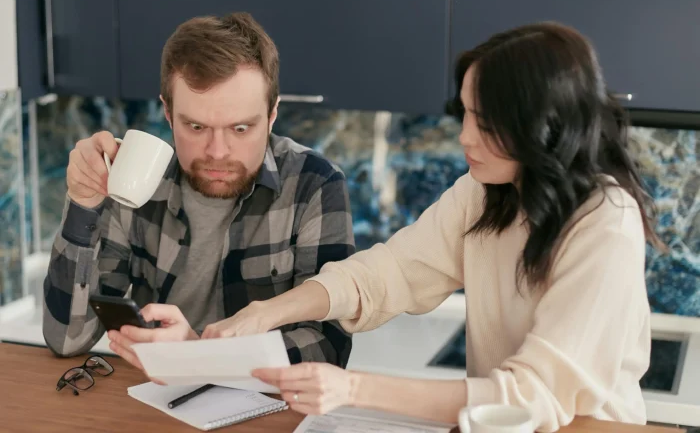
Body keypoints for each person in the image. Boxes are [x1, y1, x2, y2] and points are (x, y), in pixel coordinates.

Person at [121, 21, 661, 431]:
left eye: (487, 122)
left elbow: (528, 396)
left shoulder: (605, 224)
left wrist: (351, 387)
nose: (465, 139)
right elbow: (386, 274)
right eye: (465, 115)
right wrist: (265, 313)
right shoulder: (486, 195)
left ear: (543, 127)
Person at [42, 12, 356, 369]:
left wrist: (203, 356)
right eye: (195, 126)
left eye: (240, 128)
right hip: (156, 402)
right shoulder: (138, 180)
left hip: (268, 410)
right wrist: (83, 206)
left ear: (271, 115)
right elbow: (66, 339)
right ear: (168, 111)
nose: (217, 151)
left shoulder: (314, 184)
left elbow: (327, 352)